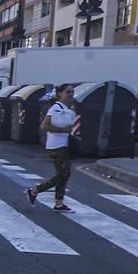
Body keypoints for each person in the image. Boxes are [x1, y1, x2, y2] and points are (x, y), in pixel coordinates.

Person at [24, 84, 80, 212]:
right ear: (59, 93)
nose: (71, 94)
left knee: (64, 174)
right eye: (68, 92)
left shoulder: (67, 108)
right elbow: (44, 126)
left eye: (72, 92)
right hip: (56, 146)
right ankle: (34, 191)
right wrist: (62, 130)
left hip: (65, 145)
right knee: (63, 174)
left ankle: (58, 204)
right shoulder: (55, 108)